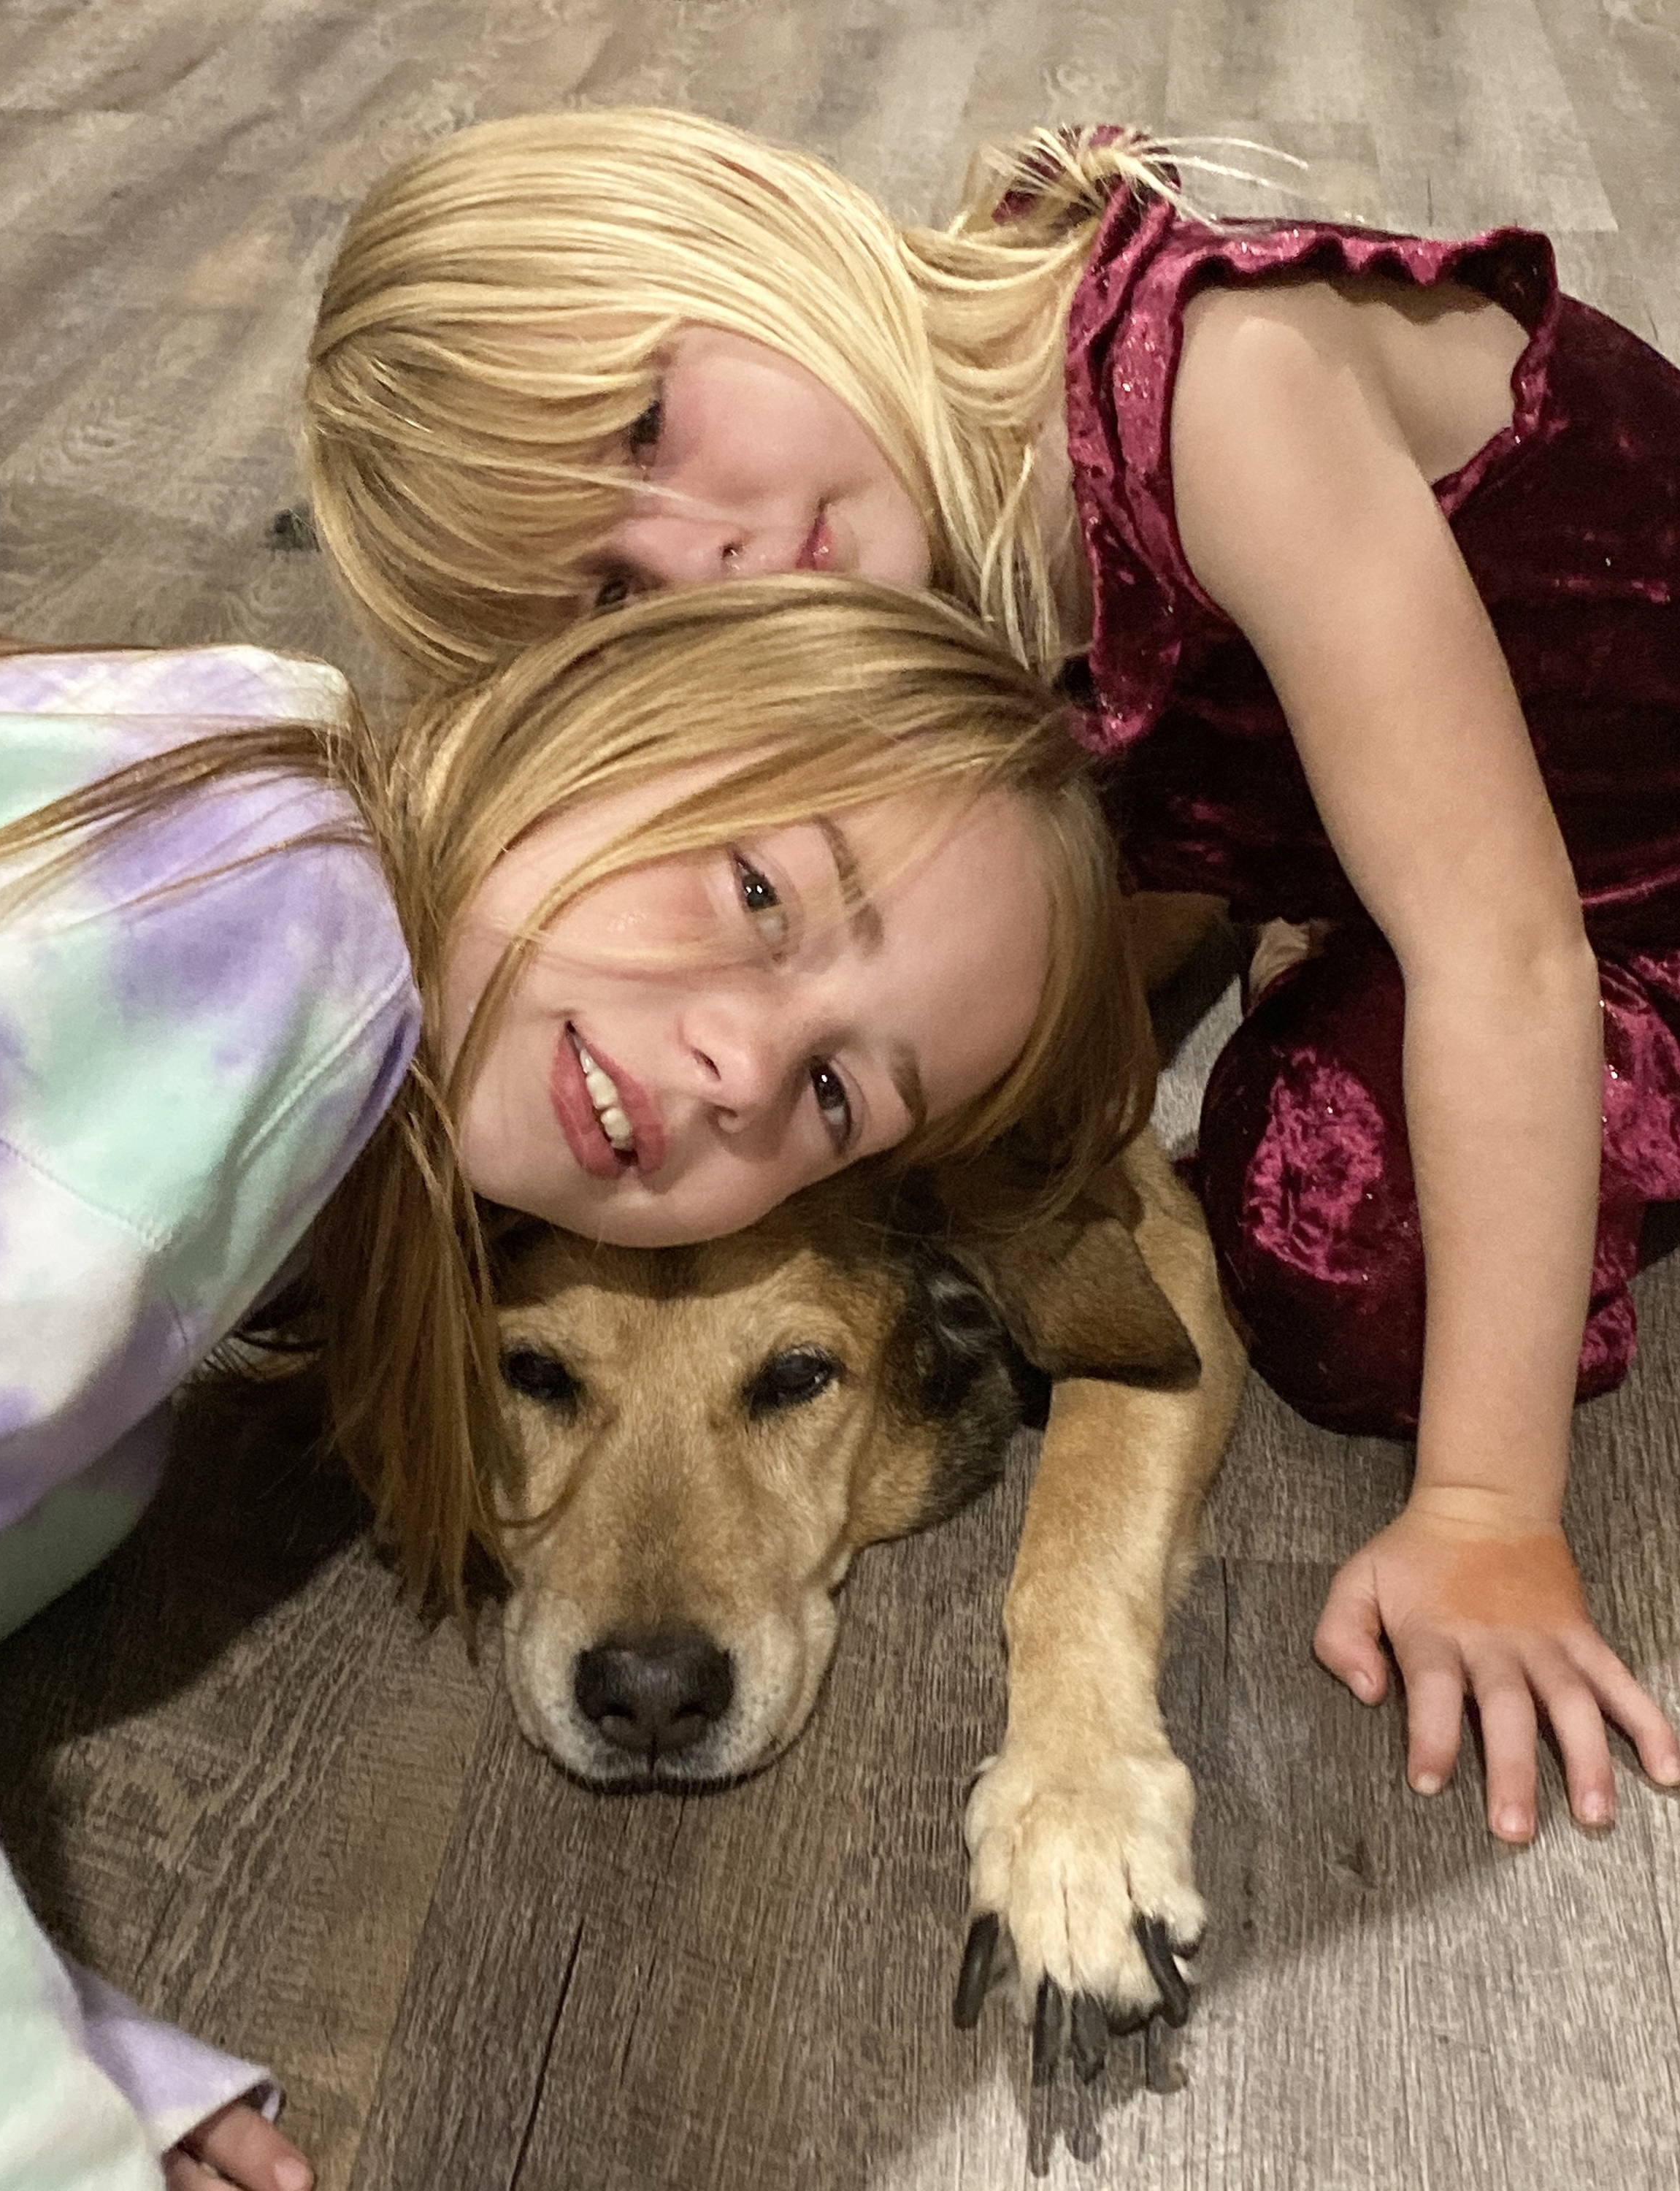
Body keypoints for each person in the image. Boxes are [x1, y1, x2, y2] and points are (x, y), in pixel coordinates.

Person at [297, 106, 1680, 1850]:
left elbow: (1505, 950)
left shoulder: (1223, 390)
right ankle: (1322, 889)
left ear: (749, 211)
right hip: (1404, 837)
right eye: (607, 593)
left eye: (649, 420)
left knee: (1336, 1231)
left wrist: (1488, 1507)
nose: (700, 554)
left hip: (1618, 884)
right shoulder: (857, 556)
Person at [0, 584, 1143, 2188]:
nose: (741, 1063)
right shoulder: (270, 938)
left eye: (835, 1090)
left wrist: (25, 2013)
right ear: (605, 708)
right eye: (758, 889)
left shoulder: (275, 1148)